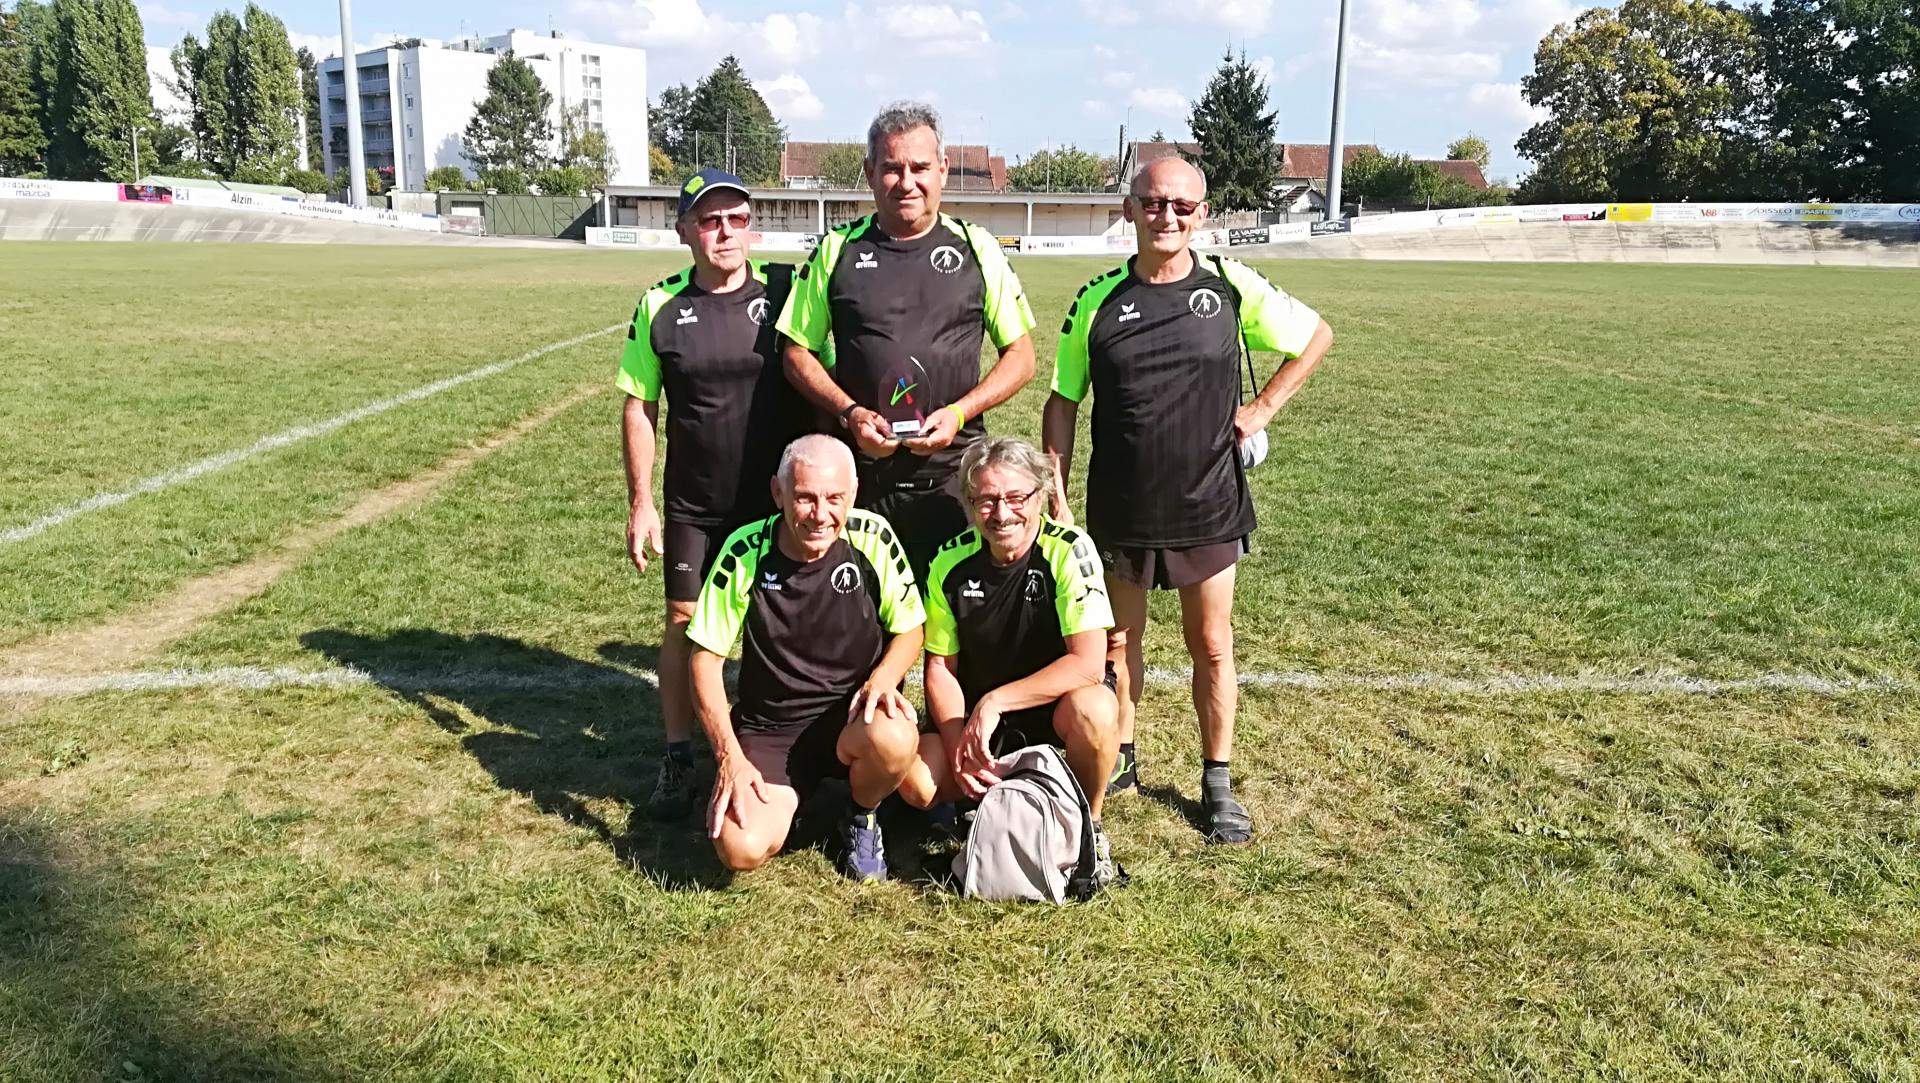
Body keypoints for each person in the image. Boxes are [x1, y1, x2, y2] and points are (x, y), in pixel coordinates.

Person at [1041, 158, 1335, 844]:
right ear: (1129, 209)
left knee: (1211, 643)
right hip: (1122, 502)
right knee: (1118, 643)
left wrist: (1261, 407)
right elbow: (1062, 401)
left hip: (1208, 501)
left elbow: (1315, 336)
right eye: (1151, 202)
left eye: (1180, 205)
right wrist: (1056, 489)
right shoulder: (1097, 300)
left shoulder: (1228, 285)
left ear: (1202, 213)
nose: (1165, 216)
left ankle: (1217, 780)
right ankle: (1122, 759)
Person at [618, 169, 815, 821]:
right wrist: (641, 500)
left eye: (735, 218)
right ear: (684, 231)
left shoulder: (789, 290)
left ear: (752, 225)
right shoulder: (660, 305)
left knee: (773, 623)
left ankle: (774, 748)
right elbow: (639, 405)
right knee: (682, 623)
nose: (724, 231)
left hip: (777, 502)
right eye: (708, 220)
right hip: (695, 507)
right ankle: (679, 756)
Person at [776, 100, 1037, 582]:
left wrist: (958, 413)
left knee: (959, 631)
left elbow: (1021, 358)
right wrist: (850, 414)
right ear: (870, 172)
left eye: (920, 167)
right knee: (862, 629)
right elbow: (796, 352)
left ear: (942, 169)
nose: (907, 181)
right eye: (892, 168)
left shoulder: (976, 248)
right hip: (862, 480)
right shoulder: (838, 250)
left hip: (954, 476)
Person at [685, 435, 926, 881]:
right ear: (778, 494)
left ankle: (861, 814)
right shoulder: (745, 550)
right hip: (772, 727)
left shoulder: (872, 535)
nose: (821, 514)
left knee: (902, 751)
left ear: (852, 495)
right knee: (741, 847)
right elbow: (704, 660)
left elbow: (911, 628)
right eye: (805, 498)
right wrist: (728, 756)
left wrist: (883, 680)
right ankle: (788, 796)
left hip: (854, 717)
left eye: (835, 498)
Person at [900, 437, 1121, 887]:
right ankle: (972, 803)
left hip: (1056, 705)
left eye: (1016, 498)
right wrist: (957, 739)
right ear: (968, 502)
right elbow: (940, 669)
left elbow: (1088, 664)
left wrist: (996, 701)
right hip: (982, 719)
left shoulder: (1069, 549)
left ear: (1040, 496)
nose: (1002, 514)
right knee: (918, 781)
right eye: (986, 500)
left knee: (1095, 709)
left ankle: (1090, 829)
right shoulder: (949, 561)